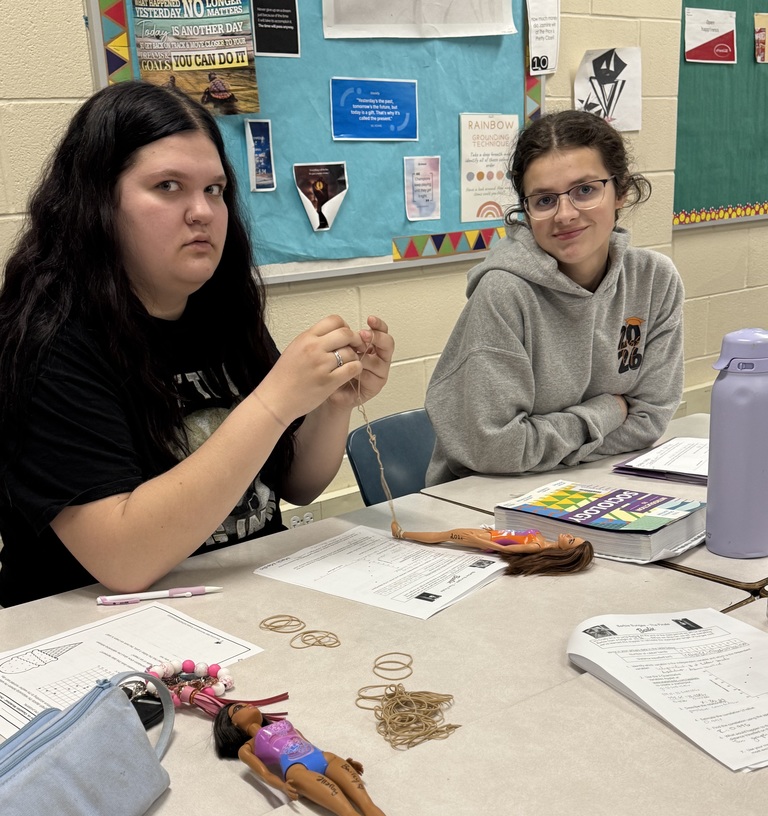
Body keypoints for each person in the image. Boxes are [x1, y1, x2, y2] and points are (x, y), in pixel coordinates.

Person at [0, 81, 394, 606]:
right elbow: (124, 559)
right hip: (104, 640)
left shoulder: (220, 311)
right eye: (168, 186)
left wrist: (331, 405)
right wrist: (275, 402)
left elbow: (294, 483)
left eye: (214, 189)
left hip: (244, 603)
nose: (203, 211)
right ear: (96, 202)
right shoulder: (48, 339)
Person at [425, 109, 685, 485]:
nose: (565, 214)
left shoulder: (654, 280)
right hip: (486, 498)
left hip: (595, 481)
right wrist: (608, 412)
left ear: (621, 191)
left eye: (585, 190)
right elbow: (495, 449)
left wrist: (548, 446)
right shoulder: (504, 292)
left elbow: (650, 419)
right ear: (526, 211)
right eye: (545, 200)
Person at [214, 702, 428, 816]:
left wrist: (346, 761)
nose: (249, 706)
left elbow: (310, 745)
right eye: (239, 708)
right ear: (232, 724)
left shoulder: (287, 725)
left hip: (326, 758)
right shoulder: (247, 749)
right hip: (298, 770)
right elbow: (264, 773)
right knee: (346, 811)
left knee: (366, 803)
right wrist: (282, 786)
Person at [392, 525, 594, 575]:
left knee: (444, 535)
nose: (568, 535)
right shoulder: (543, 541)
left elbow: (506, 549)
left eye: (572, 540)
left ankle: (402, 533)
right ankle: (403, 532)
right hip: (491, 533)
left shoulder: (537, 546)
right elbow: (512, 536)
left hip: (484, 540)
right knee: (445, 534)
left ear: (566, 551)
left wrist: (478, 540)